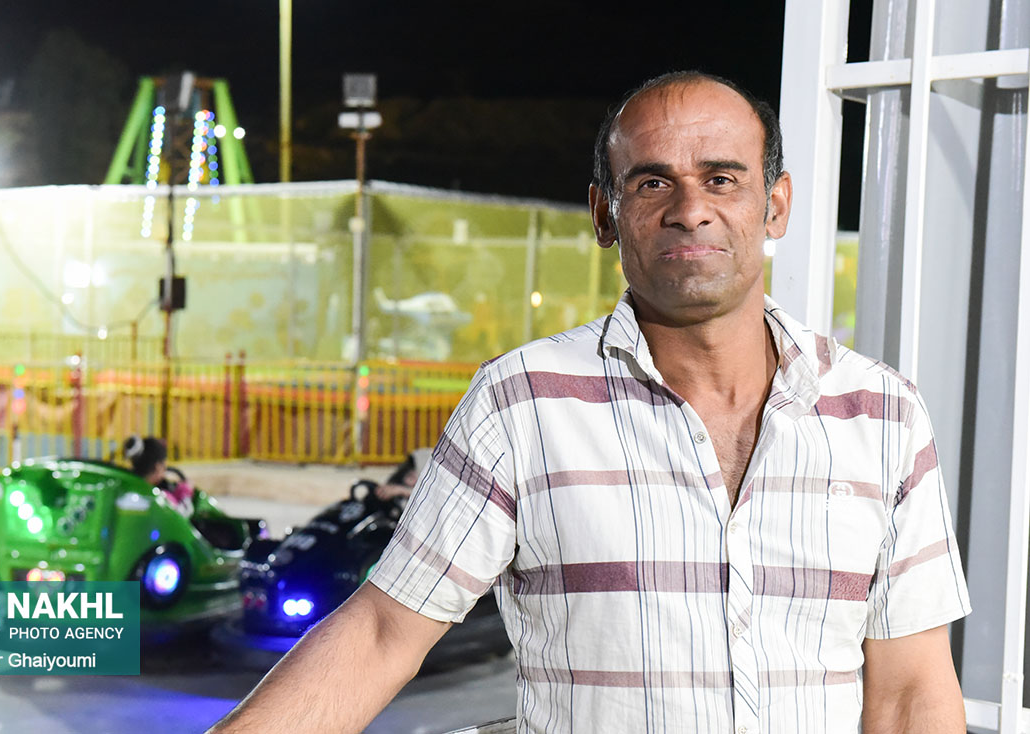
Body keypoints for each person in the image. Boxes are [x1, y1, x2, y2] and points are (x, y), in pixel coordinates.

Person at [208, 72, 970, 734]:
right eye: (652, 183)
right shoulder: (523, 405)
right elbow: (383, 631)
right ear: (605, 215)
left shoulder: (882, 415)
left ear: (774, 206)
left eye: (721, 179)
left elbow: (911, 692)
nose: (690, 209)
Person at [123, 435, 194, 515]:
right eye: (164, 465)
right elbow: (183, 514)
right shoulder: (159, 498)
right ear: (158, 467)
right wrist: (185, 493)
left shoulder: (127, 490)